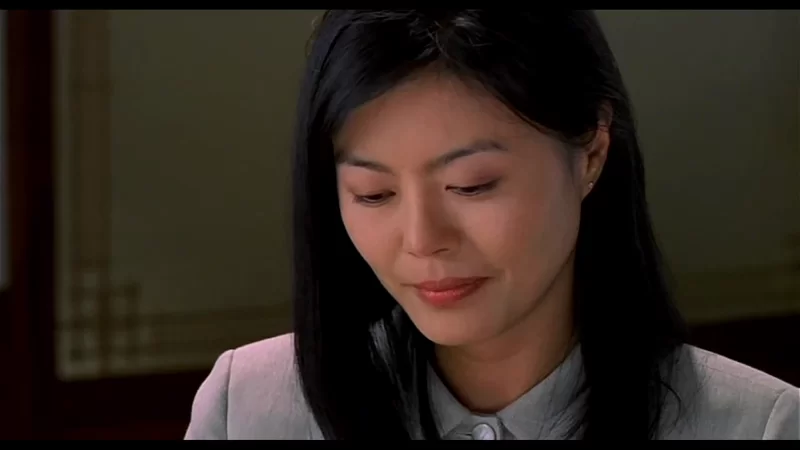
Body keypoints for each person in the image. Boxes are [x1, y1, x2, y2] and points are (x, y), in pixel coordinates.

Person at [184, 10, 799, 440]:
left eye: (472, 185)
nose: (423, 239)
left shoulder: (757, 425)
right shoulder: (250, 409)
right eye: (374, 194)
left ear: (591, 151)